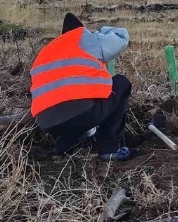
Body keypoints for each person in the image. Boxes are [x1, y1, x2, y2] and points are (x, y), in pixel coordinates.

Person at [30, 13, 133, 162]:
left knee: (68, 108)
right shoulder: (84, 38)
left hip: (46, 123)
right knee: (121, 83)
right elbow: (121, 37)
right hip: (85, 113)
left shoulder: (46, 51)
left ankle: (63, 148)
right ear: (81, 30)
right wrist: (99, 33)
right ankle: (109, 149)